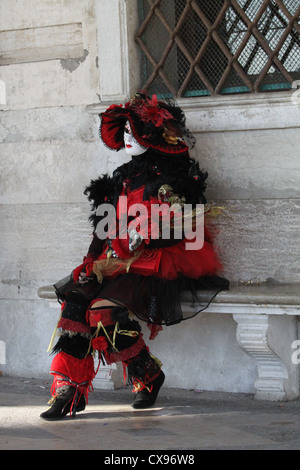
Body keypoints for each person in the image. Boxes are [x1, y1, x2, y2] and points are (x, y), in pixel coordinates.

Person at [40, 93, 229, 420]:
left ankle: (147, 375)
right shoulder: (120, 177)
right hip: (116, 262)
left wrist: (149, 234)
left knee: (103, 314)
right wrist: (91, 261)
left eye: (134, 132)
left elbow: (189, 226)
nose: (128, 139)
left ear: (152, 134)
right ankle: (70, 389)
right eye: (124, 133)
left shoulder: (174, 176)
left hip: (159, 262)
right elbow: (103, 227)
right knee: (74, 302)